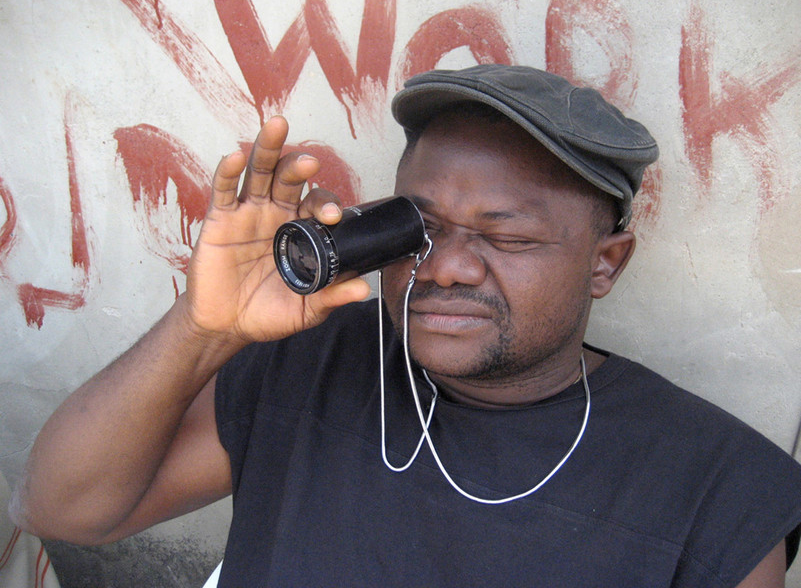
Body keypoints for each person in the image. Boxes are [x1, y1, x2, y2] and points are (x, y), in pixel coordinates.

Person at [9, 65, 801, 587]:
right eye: (416, 229)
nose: (448, 266)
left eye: (510, 236)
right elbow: (64, 510)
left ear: (606, 263)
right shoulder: (314, 361)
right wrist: (203, 329)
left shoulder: (716, 490)